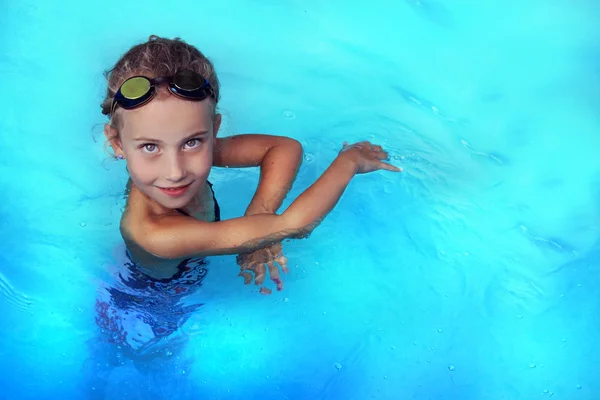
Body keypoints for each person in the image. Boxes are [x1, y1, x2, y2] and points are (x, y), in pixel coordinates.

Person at [100, 35, 401, 293]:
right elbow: (294, 225)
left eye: (192, 142)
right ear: (117, 144)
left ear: (214, 131)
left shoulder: (185, 155)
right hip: (154, 299)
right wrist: (348, 163)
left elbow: (284, 148)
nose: (175, 171)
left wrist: (259, 215)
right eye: (150, 147)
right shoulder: (154, 234)